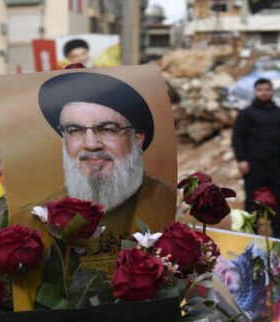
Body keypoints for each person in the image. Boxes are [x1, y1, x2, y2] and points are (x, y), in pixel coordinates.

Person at [25, 71, 175, 272]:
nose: (91, 144)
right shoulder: (33, 219)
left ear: (137, 139)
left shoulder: (169, 205)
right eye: (74, 130)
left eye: (107, 129)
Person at [232, 78, 280, 239]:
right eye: (260, 90)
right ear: (255, 92)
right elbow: (237, 139)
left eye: (267, 89)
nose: (264, 93)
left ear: (271, 92)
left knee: (278, 199)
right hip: (254, 166)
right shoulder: (246, 114)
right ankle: (251, 235)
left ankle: (278, 235)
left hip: (276, 166)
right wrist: (241, 159)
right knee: (253, 200)